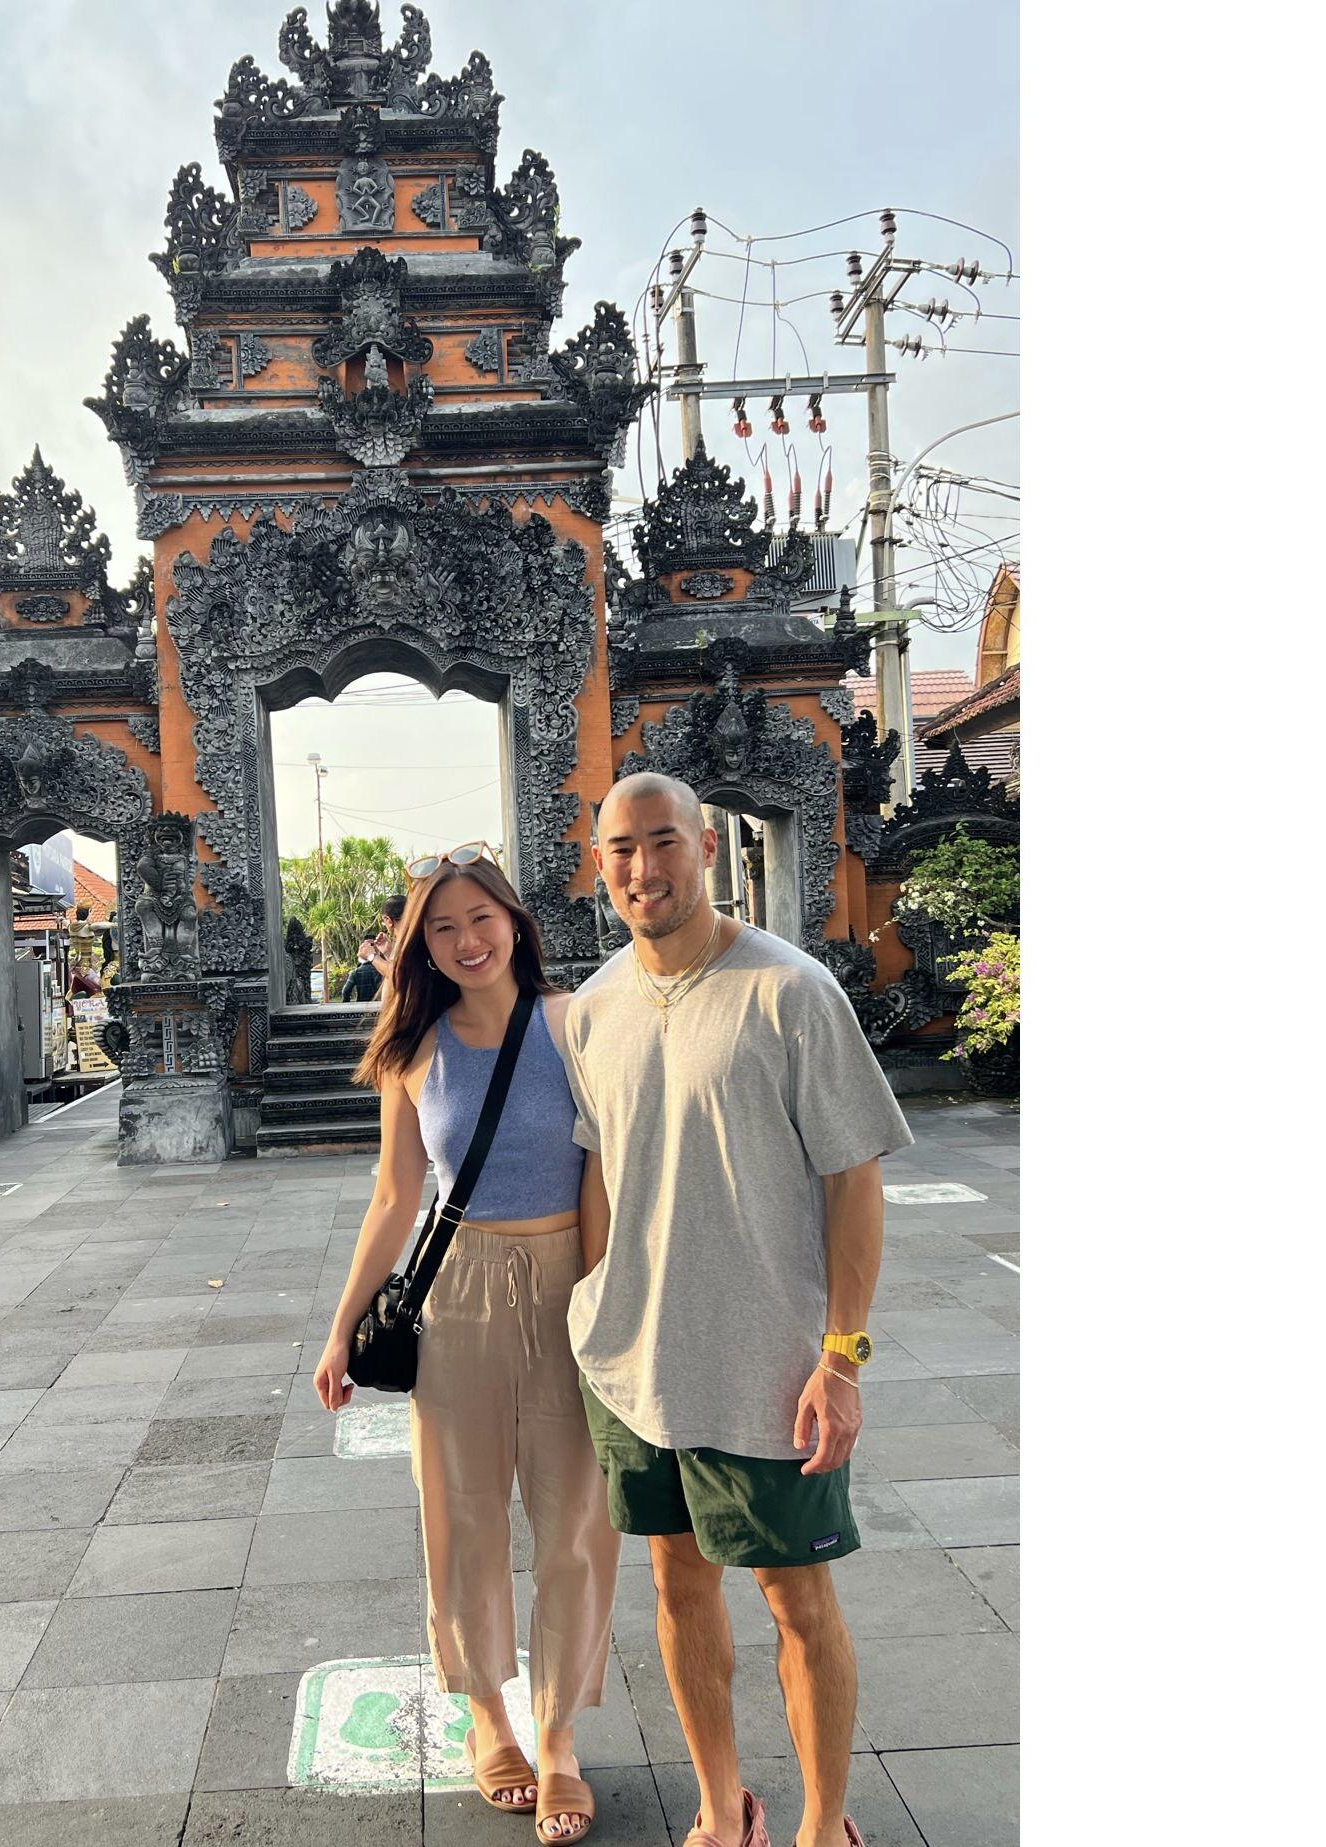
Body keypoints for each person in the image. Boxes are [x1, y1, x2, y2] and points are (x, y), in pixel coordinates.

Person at [561, 774, 912, 1847]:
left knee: (795, 1600)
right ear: (599, 862)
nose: (641, 869)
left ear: (705, 846)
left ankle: (821, 1822)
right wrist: (596, 1301)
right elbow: (600, 1167)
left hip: (769, 1363)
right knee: (676, 1585)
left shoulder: (789, 991)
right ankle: (721, 1807)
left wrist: (840, 1357)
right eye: (620, 849)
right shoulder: (594, 1005)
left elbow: (853, 1179)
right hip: (636, 1363)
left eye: (661, 841)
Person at [315, 847, 619, 1844]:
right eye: (441, 927)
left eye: (479, 917)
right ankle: (489, 1715)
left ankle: (559, 1735)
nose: (465, 940)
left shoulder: (576, 1022)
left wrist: (609, 1303)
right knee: (462, 1516)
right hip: (457, 1294)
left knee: (575, 1522)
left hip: (572, 1278)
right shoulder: (414, 1049)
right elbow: (393, 1196)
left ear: (514, 921)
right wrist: (341, 1326)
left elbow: (608, 1171)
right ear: (420, 946)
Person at [370, 892, 405, 999]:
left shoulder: (411, 940)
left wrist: (371, 956)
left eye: (384, 921)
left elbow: (397, 974)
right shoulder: (403, 941)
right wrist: (388, 952)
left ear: (388, 920)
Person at [340, 938, 383, 1002]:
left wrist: (346, 1003)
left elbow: (345, 991)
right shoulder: (381, 971)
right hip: (378, 1005)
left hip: (361, 1005)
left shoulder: (356, 972)